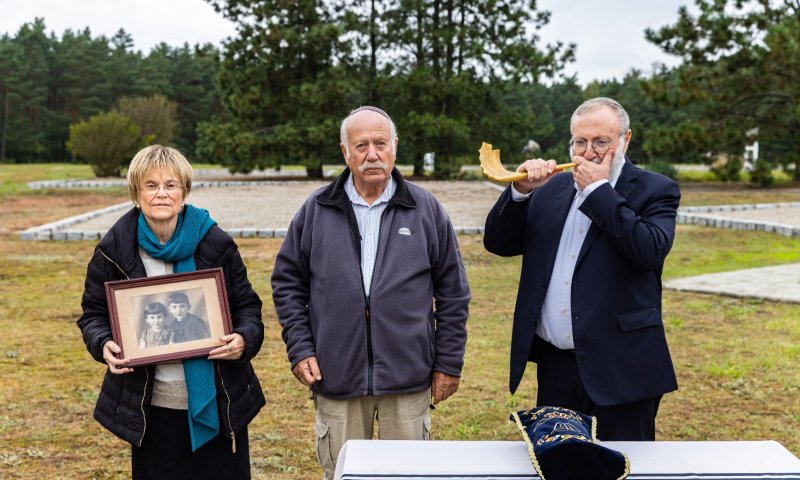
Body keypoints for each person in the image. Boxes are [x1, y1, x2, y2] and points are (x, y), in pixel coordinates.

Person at [271, 105, 471, 479]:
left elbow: (454, 293)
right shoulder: (315, 209)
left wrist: (447, 363)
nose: (372, 154)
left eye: (380, 143)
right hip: (337, 376)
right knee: (344, 473)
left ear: (395, 146)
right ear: (345, 152)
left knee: (409, 475)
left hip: (408, 376)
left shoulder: (426, 209)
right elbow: (287, 283)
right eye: (361, 145)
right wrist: (300, 348)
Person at [483, 97, 680, 441]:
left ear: (625, 140)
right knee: (561, 461)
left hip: (624, 368)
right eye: (580, 142)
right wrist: (520, 190)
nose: (588, 153)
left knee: (624, 463)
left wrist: (597, 191)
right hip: (558, 365)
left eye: (601, 142)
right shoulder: (551, 189)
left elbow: (648, 251)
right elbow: (498, 243)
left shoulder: (655, 189)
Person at [77, 145, 265, 479]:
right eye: (151, 185)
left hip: (218, 405)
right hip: (152, 410)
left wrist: (242, 340)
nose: (162, 193)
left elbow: (248, 308)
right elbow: (93, 313)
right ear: (137, 193)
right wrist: (102, 343)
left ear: (184, 191)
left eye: (171, 185)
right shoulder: (113, 250)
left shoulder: (216, 243)